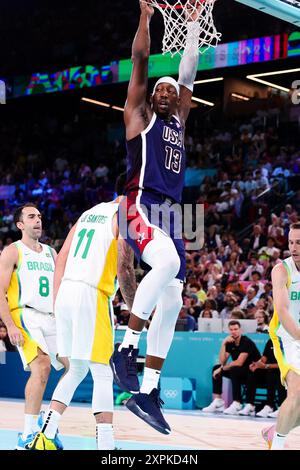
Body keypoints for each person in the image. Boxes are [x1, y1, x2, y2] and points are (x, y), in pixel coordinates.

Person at [111, 0, 202, 434]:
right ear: (150, 97)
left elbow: (188, 74)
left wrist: (191, 26)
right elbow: (141, 59)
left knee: (174, 301)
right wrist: (146, 19)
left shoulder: (179, 122)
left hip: (172, 216)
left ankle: (147, 392)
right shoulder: (140, 116)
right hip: (139, 205)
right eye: (159, 89)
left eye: (171, 90)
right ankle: (126, 347)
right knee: (164, 265)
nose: (166, 91)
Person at [28, 183, 136, 451]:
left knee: (76, 369)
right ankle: (106, 445)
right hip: (92, 294)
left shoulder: (89, 212)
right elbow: (124, 266)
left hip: (65, 293)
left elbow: (61, 257)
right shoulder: (127, 214)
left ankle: (45, 434)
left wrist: (56, 302)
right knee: (101, 372)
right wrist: (137, 310)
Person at [0, 203, 66, 450]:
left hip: (52, 317)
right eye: (31, 217)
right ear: (20, 224)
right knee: (42, 366)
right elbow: (0, 291)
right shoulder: (12, 251)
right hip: (25, 316)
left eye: (39, 216)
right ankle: (28, 434)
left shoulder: (51, 252)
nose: (38, 220)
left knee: (77, 367)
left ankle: (47, 423)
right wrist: (10, 325)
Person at [262, 223, 300, 449]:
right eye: (291, 242)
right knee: (296, 392)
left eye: (299, 243)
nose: (294, 248)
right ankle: (277, 445)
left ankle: (275, 431)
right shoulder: (282, 270)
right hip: (287, 338)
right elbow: (282, 310)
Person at [202, 320, 261, 415]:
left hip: (254, 372)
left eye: (236, 329)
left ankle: (237, 403)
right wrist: (224, 343)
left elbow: (239, 362)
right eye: (231, 330)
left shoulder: (246, 342)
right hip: (240, 371)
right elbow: (222, 361)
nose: (233, 331)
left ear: (240, 330)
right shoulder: (230, 342)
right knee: (216, 367)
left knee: (232, 369)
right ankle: (218, 401)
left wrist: (221, 369)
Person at [238, 338, 286, 417]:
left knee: (278, 373)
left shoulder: (287, 341)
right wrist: (257, 364)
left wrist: (267, 366)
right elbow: (264, 358)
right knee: (253, 371)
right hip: (268, 370)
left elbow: (285, 364)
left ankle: (280, 408)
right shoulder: (271, 341)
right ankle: (250, 405)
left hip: (283, 371)